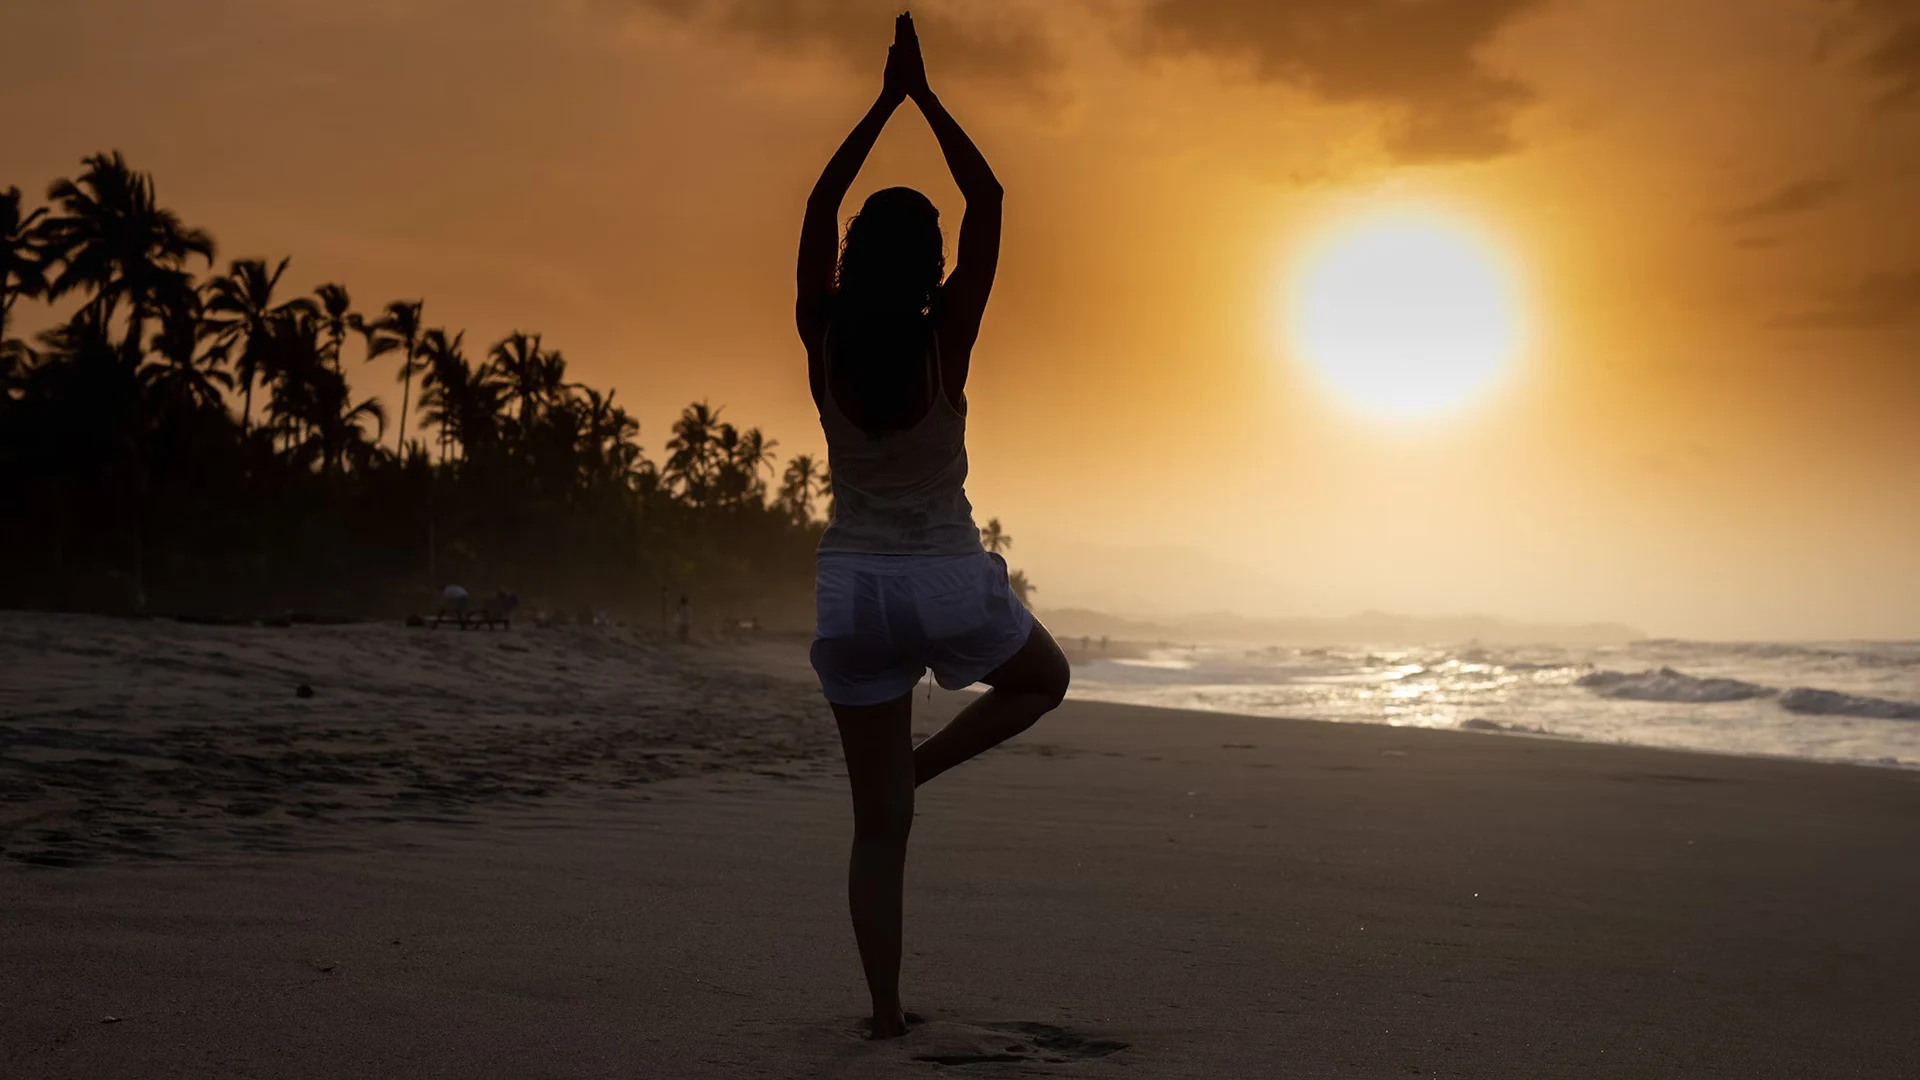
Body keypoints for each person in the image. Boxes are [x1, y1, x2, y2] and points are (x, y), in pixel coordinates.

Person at [797, 12, 1071, 1040]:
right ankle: (923, 765)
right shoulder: (943, 339)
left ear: (855, 256)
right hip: (947, 577)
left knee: (879, 833)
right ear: (930, 267)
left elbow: (822, 200)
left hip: (853, 589)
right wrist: (922, 94)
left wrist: (878, 103)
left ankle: (883, 1012)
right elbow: (989, 198)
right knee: (1044, 680)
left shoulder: (819, 333)